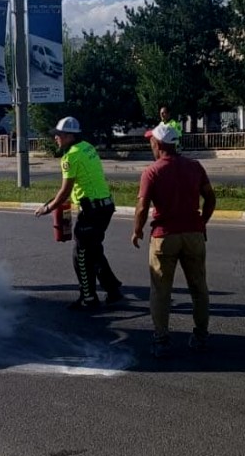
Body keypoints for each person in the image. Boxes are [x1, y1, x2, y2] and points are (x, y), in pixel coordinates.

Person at [130, 122, 216, 357]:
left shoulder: (152, 171)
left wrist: (137, 230)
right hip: (194, 235)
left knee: (161, 290)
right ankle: (201, 336)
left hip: (164, 237)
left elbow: (141, 207)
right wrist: (201, 223)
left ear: (158, 144)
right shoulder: (195, 167)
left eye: (151, 140)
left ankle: (161, 339)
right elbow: (210, 198)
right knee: (198, 287)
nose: (150, 143)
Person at [34, 116, 124, 310]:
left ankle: (88, 298)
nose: (55, 139)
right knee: (94, 249)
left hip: (92, 210)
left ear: (69, 136)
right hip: (105, 206)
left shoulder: (70, 156)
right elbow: (81, 183)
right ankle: (113, 289)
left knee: (81, 253)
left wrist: (47, 208)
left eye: (58, 135)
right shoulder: (88, 147)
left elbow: (65, 190)